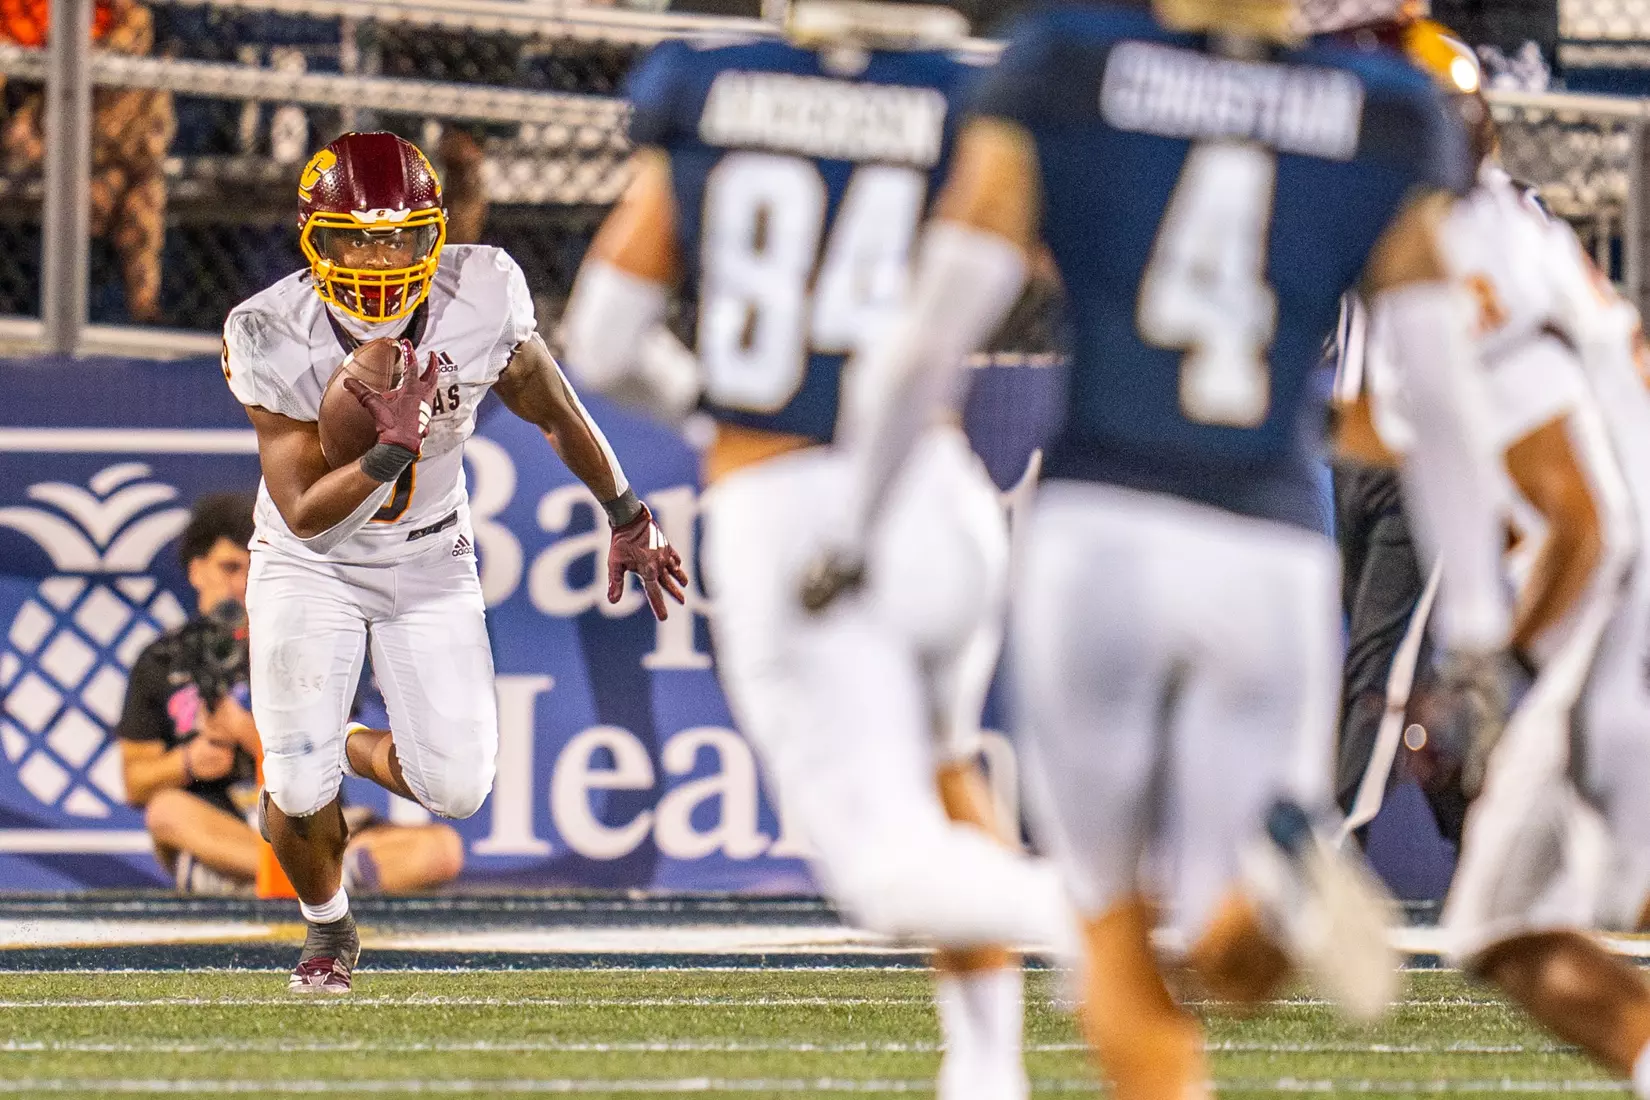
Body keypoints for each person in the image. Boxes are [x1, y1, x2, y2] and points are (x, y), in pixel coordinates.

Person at [800, 0, 1521, 1095]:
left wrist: (854, 527)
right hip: (1268, 544)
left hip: (1101, 531)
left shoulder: (1073, 65)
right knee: (1232, 944)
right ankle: (1272, 881)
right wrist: (1477, 632)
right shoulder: (1375, 109)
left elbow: (932, 332)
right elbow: (1444, 397)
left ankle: (1231, 921)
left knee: (1109, 919)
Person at [562, 5, 1080, 1096]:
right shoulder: (964, 94)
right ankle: (987, 1073)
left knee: (886, 877)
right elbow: (1048, 267)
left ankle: (1131, 914)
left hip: (786, 499)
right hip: (937, 490)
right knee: (947, 780)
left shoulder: (711, 88)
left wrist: (709, 407)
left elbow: (603, 339)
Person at [220, 130, 687, 995]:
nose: (378, 259)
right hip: (309, 563)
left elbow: (551, 407)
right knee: (294, 785)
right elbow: (308, 518)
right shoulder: (268, 329)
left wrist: (628, 511)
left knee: (458, 787)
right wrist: (388, 453)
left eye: (399, 238)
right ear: (316, 241)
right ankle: (328, 927)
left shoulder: (482, 292)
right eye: (357, 239)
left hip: (432, 554)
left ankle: (339, 745)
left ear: (433, 236)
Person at [1345, 17, 1650, 1093]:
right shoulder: (1498, 233)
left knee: (1514, 917)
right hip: (1613, 609)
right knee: (1517, 921)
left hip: (1617, 614)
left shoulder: (1469, 261)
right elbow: (1416, 424)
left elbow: (1584, 519)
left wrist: (1497, 668)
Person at [117, 493, 467, 898]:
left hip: (313, 826)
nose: (243, 584)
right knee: (167, 811)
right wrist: (189, 762)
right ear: (197, 570)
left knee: (442, 848)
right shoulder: (160, 660)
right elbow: (135, 782)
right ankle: (325, 880)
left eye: (255, 567)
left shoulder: (310, 648)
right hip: (223, 828)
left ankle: (290, 878)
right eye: (230, 568)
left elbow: (330, 754)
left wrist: (244, 731)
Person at [0, 0, 174, 323]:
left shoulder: (114, 16)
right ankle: (143, 307)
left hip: (92, 111)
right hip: (35, 109)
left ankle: (141, 308)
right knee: (136, 172)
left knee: (136, 181)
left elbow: (130, 21)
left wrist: (89, 56)